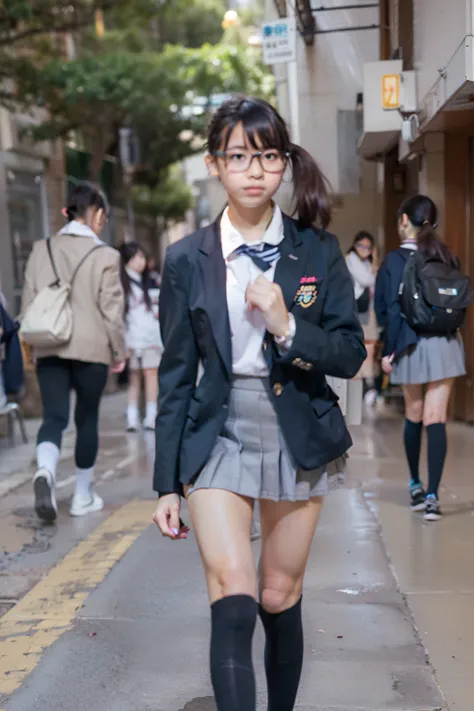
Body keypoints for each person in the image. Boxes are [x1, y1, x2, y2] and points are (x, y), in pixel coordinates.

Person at [152, 95, 366, 711]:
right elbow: (175, 374)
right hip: (216, 432)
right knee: (234, 589)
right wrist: (167, 483)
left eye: (268, 156)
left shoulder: (318, 251)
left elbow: (350, 353)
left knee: (278, 592)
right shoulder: (186, 259)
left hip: (297, 427)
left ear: (284, 164)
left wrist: (287, 327)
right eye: (239, 156)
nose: (254, 169)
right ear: (215, 164)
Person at [21, 182, 126, 523]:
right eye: (103, 217)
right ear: (95, 214)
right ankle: (82, 496)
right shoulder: (106, 256)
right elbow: (111, 310)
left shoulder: (41, 249)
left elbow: (29, 302)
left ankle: (47, 473)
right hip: (91, 347)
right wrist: (118, 350)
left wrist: (30, 347)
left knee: (54, 417)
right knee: (87, 419)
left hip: (49, 345)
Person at [375, 194, 466, 521]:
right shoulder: (446, 255)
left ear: (403, 221)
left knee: (414, 415)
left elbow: (387, 311)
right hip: (446, 344)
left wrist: (389, 351)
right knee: (436, 418)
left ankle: (415, 483)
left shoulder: (394, 261)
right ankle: (432, 497)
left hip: (411, 344)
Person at [119, 241, 163, 432]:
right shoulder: (121, 282)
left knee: (151, 374)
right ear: (127, 260)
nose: (140, 261)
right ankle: (132, 416)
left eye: (142, 257)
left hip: (151, 337)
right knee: (134, 378)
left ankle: (151, 415)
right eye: (136, 257)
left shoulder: (150, 280)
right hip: (131, 338)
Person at [346, 231, 380, 405]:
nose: (364, 250)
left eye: (368, 247)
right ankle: (359, 390)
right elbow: (367, 280)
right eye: (361, 246)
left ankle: (367, 387)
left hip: (368, 310)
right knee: (359, 349)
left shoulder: (365, 262)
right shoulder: (350, 259)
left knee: (369, 349)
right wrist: (374, 262)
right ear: (355, 244)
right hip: (358, 311)